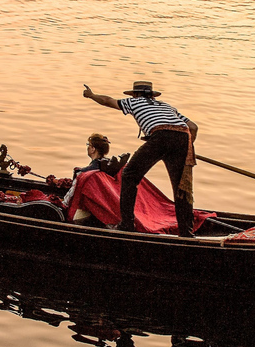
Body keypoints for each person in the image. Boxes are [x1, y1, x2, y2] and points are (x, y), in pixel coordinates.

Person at [83, 81, 198, 237]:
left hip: (160, 137)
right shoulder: (167, 106)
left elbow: (108, 101)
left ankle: (127, 225)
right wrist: (187, 146)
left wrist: (91, 95)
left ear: (136, 94)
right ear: (151, 95)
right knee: (181, 190)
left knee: (129, 175)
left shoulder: (133, 102)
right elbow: (193, 127)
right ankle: (186, 233)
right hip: (183, 137)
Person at [63, 133, 111, 219]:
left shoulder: (84, 173)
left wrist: (60, 204)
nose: (87, 147)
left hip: (85, 213)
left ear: (93, 149)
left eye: (89, 145)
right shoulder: (111, 167)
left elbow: (69, 198)